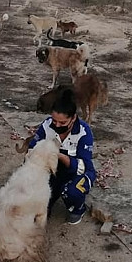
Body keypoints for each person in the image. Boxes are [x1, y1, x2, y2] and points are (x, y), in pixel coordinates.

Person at [28, 89, 95, 225]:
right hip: (52, 171)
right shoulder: (47, 126)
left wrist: (58, 155)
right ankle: (49, 199)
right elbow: (32, 150)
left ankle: (78, 209)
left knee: (72, 192)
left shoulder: (83, 132)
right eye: (54, 121)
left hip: (76, 172)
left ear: (73, 118)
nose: (57, 125)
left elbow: (83, 166)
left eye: (62, 123)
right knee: (35, 198)